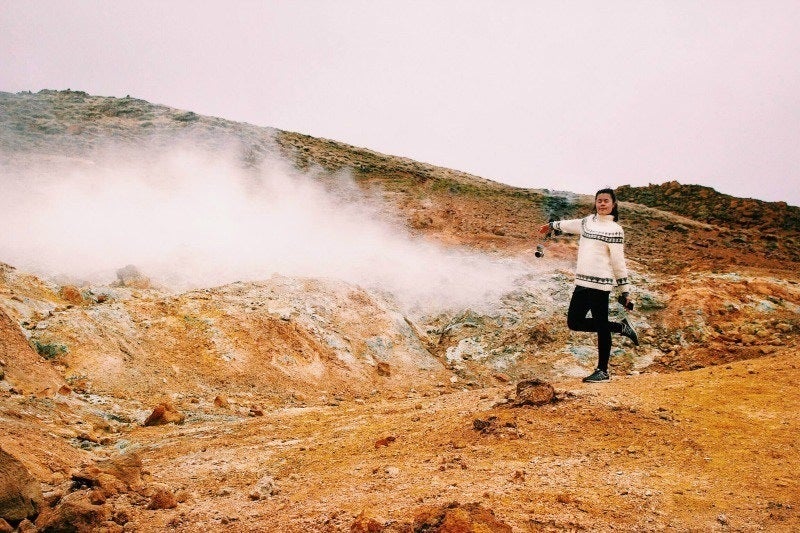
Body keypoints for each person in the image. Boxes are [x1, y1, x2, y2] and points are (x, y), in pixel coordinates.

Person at [539, 188, 638, 383]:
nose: (602, 204)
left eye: (606, 201)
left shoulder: (616, 230)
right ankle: (621, 327)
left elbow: (619, 262)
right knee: (574, 322)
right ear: (595, 203)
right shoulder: (587, 222)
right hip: (582, 282)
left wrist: (624, 291)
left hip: (601, 284)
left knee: (601, 327)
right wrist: (551, 225)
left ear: (613, 205)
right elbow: (568, 225)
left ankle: (603, 371)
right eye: (599, 200)